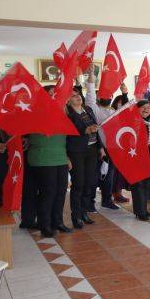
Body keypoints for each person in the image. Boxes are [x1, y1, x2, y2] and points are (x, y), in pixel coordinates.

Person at [27, 85, 72, 238]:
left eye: (56, 94)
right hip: (42, 158)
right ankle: (44, 224)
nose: (54, 97)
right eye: (51, 94)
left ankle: (57, 221)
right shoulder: (34, 112)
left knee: (61, 191)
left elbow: (64, 140)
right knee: (48, 192)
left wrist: (66, 157)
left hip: (60, 157)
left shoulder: (62, 113)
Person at [66, 87, 101, 228]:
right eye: (73, 96)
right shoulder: (68, 114)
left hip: (92, 150)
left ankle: (84, 212)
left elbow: (95, 129)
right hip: (76, 151)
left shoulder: (88, 110)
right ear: (68, 101)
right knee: (78, 183)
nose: (78, 97)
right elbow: (69, 132)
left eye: (78, 94)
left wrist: (100, 147)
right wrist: (84, 130)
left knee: (90, 183)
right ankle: (76, 216)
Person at [84, 70, 119, 210]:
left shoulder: (114, 111)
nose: (107, 97)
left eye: (109, 95)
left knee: (109, 176)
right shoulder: (94, 109)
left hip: (111, 149)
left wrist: (124, 93)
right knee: (93, 177)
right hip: (97, 148)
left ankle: (107, 200)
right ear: (98, 97)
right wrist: (91, 76)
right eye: (104, 95)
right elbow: (90, 94)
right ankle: (90, 203)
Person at [110, 85, 131, 203]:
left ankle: (118, 192)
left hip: (123, 146)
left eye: (122, 104)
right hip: (111, 146)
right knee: (111, 172)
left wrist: (125, 94)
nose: (120, 106)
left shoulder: (126, 115)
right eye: (119, 103)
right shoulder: (110, 113)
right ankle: (109, 193)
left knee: (120, 172)